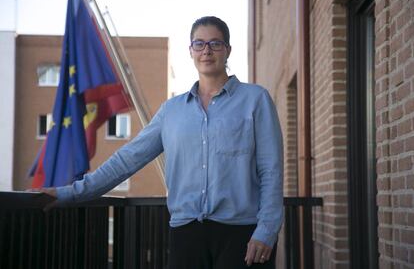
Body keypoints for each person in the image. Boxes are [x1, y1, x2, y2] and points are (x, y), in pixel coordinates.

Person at [34, 16, 284, 269]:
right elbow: (127, 159)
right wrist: (71, 193)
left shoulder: (255, 100)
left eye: (215, 43)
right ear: (191, 51)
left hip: (242, 235)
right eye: (199, 44)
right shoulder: (171, 111)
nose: (206, 51)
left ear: (227, 50)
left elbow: (271, 171)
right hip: (186, 236)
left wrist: (267, 230)